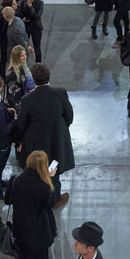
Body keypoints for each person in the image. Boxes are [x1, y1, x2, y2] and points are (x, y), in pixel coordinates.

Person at [15, 64, 75, 208]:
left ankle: (36, 197)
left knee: (37, 169)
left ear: (33, 79)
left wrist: (18, 140)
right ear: (49, 76)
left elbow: (21, 124)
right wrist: (61, 129)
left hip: (36, 142)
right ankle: (55, 199)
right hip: (56, 140)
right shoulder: (60, 93)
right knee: (54, 168)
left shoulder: (27, 99)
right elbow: (69, 116)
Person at [9, 149, 59, 259]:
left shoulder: (16, 180)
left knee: (22, 250)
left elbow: (8, 200)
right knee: (39, 252)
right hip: (37, 226)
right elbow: (50, 203)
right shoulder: (43, 186)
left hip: (19, 223)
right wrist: (51, 178)